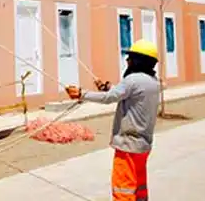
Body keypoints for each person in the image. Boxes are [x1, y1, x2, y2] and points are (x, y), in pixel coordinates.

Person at [64, 39, 160, 201]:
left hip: (128, 145)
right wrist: (108, 87)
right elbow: (124, 92)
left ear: (138, 60)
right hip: (143, 145)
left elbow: (110, 98)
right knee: (139, 185)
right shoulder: (153, 83)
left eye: (130, 58)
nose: (127, 61)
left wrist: (82, 94)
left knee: (123, 188)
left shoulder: (132, 80)